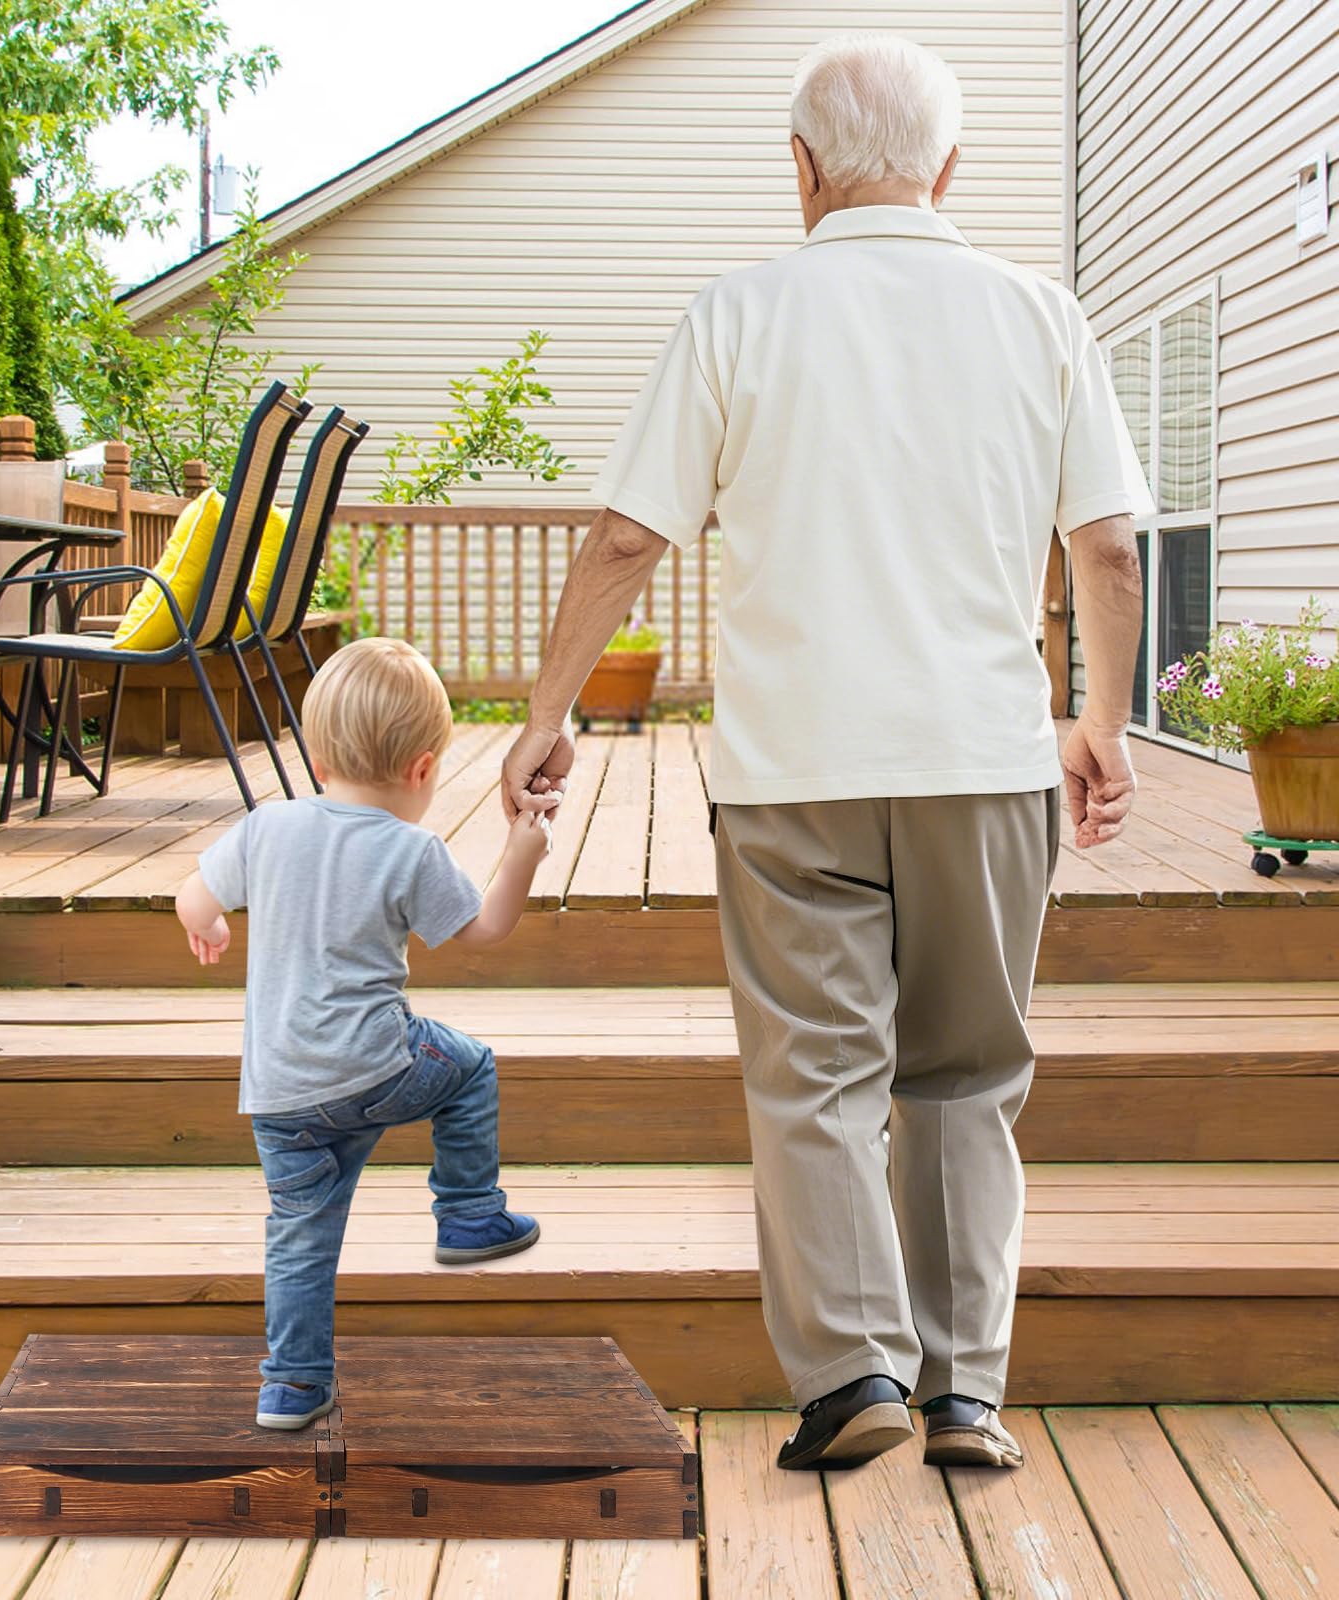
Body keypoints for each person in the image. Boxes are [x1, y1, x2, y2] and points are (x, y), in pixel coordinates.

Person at [502, 34, 1148, 1470]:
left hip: (795, 776)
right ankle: (967, 1393)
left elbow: (624, 536)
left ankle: (855, 1378)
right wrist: (1100, 725)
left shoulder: (737, 316)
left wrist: (545, 715)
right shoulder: (1042, 319)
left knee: (814, 1077)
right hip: (983, 764)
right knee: (966, 1080)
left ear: (800, 168)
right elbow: (1105, 542)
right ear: (950, 169)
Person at [177, 636, 553, 1430]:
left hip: (278, 1093)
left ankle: (292, 1385)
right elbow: (483, 932)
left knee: (300, 1234)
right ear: (422, 769)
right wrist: (523, 851)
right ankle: (469, 1213)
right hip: (380, 1069)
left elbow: (191, 900)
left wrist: (210, 924)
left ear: (317, 758)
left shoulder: (266, 827)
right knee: (471, 1065)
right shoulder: (411, 849)